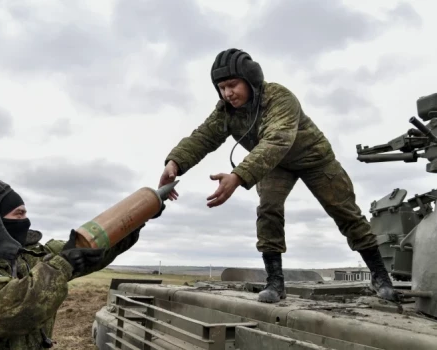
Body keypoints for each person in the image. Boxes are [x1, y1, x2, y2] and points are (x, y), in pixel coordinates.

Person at [158, 48, 399, 304]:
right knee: (268, 211)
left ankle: (380, 277)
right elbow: (203, 137)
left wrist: (238, 176)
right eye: (221, 87)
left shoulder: (279, 98)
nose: (227, 93)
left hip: (314, 158)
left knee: (344, 211)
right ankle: (275, 282)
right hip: (274, 164)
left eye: (232, 85)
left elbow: (277, 139)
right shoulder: (227, 112)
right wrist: (175, 162)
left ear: (250, 79)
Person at [0, 178, 165, 349]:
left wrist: (138, 215)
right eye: (19, 213)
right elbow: (14, 312)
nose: (26, 220)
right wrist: (63, 263)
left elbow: (93, 247)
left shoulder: (29, 257)